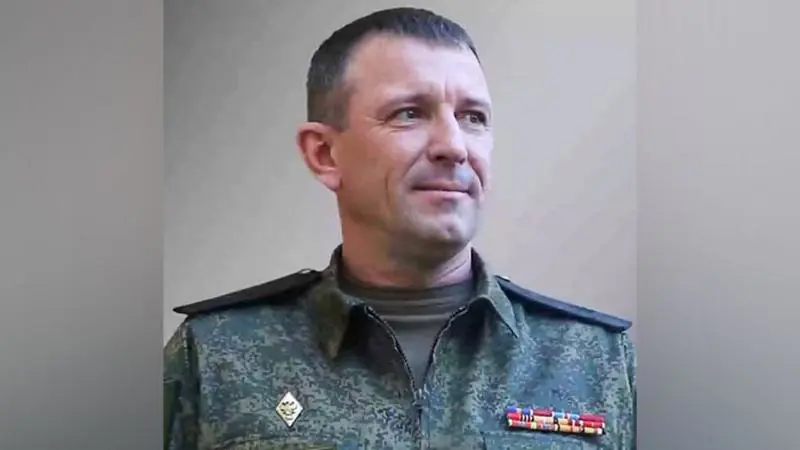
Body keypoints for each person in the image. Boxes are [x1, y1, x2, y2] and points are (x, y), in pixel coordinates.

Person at [164, 7, 635, 450]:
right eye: (409, 113)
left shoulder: (597, 361)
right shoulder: (216, 354)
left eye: (472, 118)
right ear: (324, 154)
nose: (454, 146)